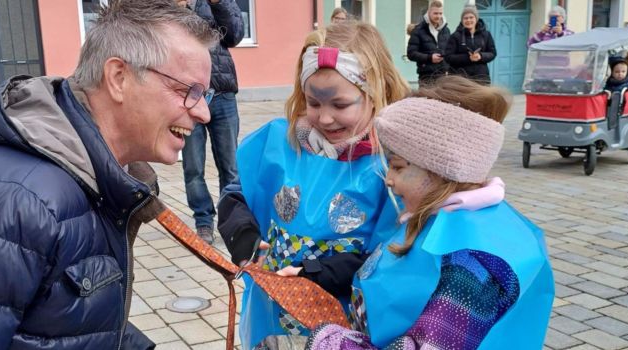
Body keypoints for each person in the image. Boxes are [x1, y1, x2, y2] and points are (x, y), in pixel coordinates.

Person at [0, 1, 218, 349]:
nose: (204, 113)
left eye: (205, 93)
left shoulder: (91, 175)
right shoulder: (7, 203)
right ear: (118, 78)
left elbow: (53, 321)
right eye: (187, 90)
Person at [216, 22, 504, 349]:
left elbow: (393, 254)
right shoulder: (279, 142)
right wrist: (244, 235)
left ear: (375, 92)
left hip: (342, 325)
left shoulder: (395, 167)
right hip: (270, 313)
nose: (325, 118)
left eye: (340, 105)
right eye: (313, 103)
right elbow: (235, 195)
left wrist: (316, 273)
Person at [306, 76, 553, 350]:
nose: (388, 179)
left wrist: (330, 341)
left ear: (442, 170)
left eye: (397, 167)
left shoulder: (471, 263)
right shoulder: (451, 219)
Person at [178, 0, 245, 244]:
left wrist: (218, 4)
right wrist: (178, 9)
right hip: (187, 95)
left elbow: (235, 35)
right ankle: (203, 221)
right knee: (193, 166)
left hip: (222, 93)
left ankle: (232, 220)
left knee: (231, 167)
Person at [445, 5, 497, 85]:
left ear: (476, 19)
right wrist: (468, 58)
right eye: (465, 18)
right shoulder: (455, 36)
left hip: (481, 78)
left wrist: (481, 56)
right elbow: (448, 57)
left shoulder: (486, 35)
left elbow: (492, 53)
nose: (468, 20)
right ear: (462, 20)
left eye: (471, 17)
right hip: (461, 80)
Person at [407, 0, 451, 86]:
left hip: (443, 76)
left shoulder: (446, 30)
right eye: (435, 13)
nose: (438, 16)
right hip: (426, 77)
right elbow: (411, 54)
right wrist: (429, 58)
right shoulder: (418, 30)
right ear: (429, 12)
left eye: (440, 13)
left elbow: (449, 51)